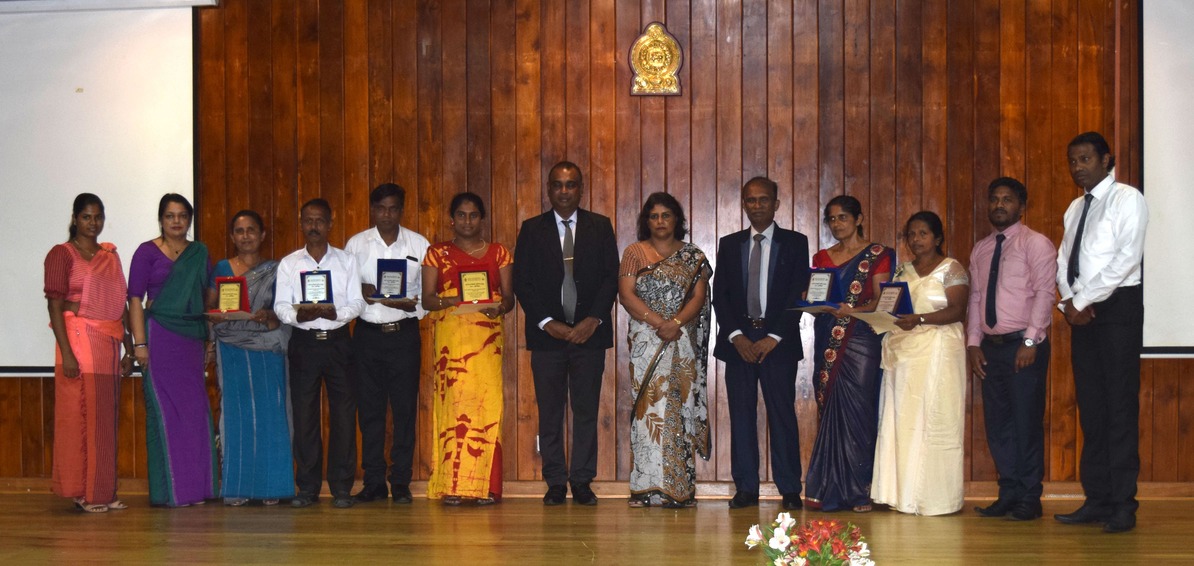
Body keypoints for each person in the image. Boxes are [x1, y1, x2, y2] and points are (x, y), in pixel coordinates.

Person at [1053, 132, 1148, 534]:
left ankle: (1123, 505)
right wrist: (1071, 301)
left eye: (1086, 159)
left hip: (1117, 309)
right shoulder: (1075, 208)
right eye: (1073, 160)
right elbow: (1063, 259)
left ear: (1107, 159)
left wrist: (1084, 299)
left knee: (1119, 409)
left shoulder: (1128, 198)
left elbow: (1128, 257)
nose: (1078, 167)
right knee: (1092, 409)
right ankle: (1097, 499)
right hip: (1083, 312)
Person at [514, 161, 619, 506]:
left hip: (591, 336)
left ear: (581, 188)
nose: (563, 191)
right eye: (557, 185)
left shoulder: (600, 226)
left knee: (586, 409)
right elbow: (522, 282)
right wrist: (547, 322)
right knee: (551, 411)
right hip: (548, 338)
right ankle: (556, 481)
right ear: (548, 189)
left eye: (570, 185)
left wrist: (593, 320)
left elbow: (610, 278)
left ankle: (583, 480)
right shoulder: (532, 229)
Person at [712, 176, 809, 510]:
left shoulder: (796, 243)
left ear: (776, 204)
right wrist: (736, 336)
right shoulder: (729, 243)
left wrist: (774, 336)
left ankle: (790, 488)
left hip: (778, 342)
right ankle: (746, 488)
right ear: (743, 203)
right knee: (741, 414)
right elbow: (720, 296)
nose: (756, 205)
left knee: (782, 414)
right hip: (738, 341)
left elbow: (799, 291)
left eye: (763, 199)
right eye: (750, 200)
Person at [966, 178, 1057, 521]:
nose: (999, 205)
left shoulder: (1036, 244)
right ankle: (1009, 493)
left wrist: (1031, 340)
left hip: (1024, 347)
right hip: (991, 348)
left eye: (1007, 199)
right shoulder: (981, 249)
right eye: (994, 199)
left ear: (1022, 205)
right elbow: (975, 298)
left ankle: (1030, 498)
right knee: (999, 425)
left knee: (1025, 423)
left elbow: (1045, 294)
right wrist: (973, 343)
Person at [617, 192, 712, 509]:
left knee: (678, 412)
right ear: (646, 220)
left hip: (680, 340)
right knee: (648, 412)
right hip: (646, 340)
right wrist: (659, 322)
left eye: (666, 215)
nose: (660, 221)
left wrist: (675, 323)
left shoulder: (692, 255)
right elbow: (627, 296)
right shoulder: (634, 252)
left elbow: (698, 297)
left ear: (677, 220)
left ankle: (678, 489)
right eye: (654, 216)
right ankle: (645, 488)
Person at [871, 211, 969, 516]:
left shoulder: (951, 268)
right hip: (904, 354)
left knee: (936, 420)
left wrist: (921, 319)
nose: (916, 240)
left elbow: (958, 310)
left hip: (938, 350)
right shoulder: (902, 271)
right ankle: (901, 495)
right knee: (903, 421)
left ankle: (935, 499)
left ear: (938, 238)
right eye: (911, 234)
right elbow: (889, 307)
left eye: (923, 234)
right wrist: (865, 313)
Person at [421, 193, 514, 506]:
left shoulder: (499, 252)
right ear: (452, 219)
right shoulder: (436, 253)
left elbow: (509, 299)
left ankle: (487, 486)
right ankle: (454, 486)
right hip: (452, 340)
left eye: (473, 215)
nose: (467, 221)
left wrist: (498, 308)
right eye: (461, 215)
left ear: (482, 218)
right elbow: (427, 300)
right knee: (455, 409)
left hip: (487, 343)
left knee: (487, 409)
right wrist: (451, 301)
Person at [803, 195, 894, 513]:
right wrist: (815, 303)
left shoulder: (879, 254)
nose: (837, 224)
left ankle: (860, 490)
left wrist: (851, 309)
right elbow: (815, 301)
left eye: (843, 217)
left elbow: (883, 301)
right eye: (832, 219)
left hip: (863, 340)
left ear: (858, 218)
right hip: (829, 337)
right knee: (830, 410)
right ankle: (828, 489)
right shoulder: (822, 257)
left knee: (860, 412)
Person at [44, 193, 134, 513]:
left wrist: (129, 348)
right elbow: (55, 305)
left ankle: (104, 491)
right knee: (81, 417)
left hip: (109, 343)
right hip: (78, 341)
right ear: (75, 218)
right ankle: (83, 492)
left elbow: (119, 304)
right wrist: (67, 354)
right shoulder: (62, 254)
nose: (93, 223)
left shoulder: (109, 256)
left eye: (98, 217)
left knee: (104, 419)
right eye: (86, 217)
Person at [274, 198, 367, 509]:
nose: (313, 226)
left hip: (339, 342)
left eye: (319, 221)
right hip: (304, 344)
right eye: (308, 221)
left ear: (330, 224)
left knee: (343, 415)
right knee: (305, 416)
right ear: (301, 224)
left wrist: (335, 313)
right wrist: (296, 316)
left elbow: (358, 303)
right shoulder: (289, 263)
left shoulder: (346, 261)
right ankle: (308, 488)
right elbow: (281, 305)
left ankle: (342, 488)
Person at [127, 193, 217, 508]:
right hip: (159, 338)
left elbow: (207, 298)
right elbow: (135, 300)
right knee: (165, 414)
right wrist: (140, 344)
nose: (176, 221)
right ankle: (169, 493)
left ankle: (196, 489)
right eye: (170, 216)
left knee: (193, 414)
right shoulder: (146, 253)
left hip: (191, 339)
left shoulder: (198, 252)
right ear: (161, 219)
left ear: (189, 220)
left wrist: (208, 339)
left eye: (182, 215)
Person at [344, 183, 430, 505]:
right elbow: (347, 292)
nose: (387, 215)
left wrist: (413, 305)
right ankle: (374, 481)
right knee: (370, 412)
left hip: (404, 334)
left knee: (405, 410)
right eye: (381, 208)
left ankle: (402, 482)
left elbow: (427, 294)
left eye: (393, 208)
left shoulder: (419, 245)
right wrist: (362, 292)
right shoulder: (356, 245)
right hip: (366, 336)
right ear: (372, 209)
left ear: (402, 210)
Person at [206, 210, 294, 506]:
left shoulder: (277, 269)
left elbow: (283, 312)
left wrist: (269, 317)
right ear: (232, 237)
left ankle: (271, 487)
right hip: (231, 348)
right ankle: (238, 486)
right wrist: (217, 320)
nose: (246, 236)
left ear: (263, 235)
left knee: (271, 415)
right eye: (240, 231)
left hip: (267, 348)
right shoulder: (221, 267)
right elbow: (210, 308)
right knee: (237, 415)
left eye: (251, 230)